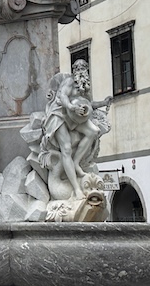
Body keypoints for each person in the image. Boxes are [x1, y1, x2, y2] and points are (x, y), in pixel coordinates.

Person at [41, 59, 111, 199]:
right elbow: (63, 96)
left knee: (94, 131)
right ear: (74, 71)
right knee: (66, 148)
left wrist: (103, 102)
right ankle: (77, 189)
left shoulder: (84, 88)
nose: (81, 71)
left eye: (84, 69)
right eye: (78, 69)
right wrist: (72, 107)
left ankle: (76, 162)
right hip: (59, 115)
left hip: (75, 117)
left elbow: (89, 104)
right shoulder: (69, 82)